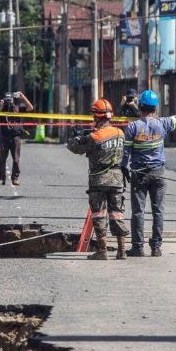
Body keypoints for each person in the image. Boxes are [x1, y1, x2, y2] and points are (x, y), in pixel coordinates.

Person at [121, 80, 176, 257]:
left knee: (138, 212)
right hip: (158, 174)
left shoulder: (132, 127)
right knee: (158, 211)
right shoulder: (163, 124)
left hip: (138, 174)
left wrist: (124, 167)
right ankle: (156, 247)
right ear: (155, 108)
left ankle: (138, 247)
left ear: (140, 106)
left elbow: (126, 152)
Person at [66, 99, 129, 260]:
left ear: (96, 116)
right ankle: (122, 251)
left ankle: (102, 252)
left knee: (99, 215)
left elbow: (74, 148)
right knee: (117, 213)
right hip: (117, 179)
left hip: (99, 180)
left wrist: (78, 138)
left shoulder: (95, 136)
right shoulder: (120, 133)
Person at [0, 91, 34, 186]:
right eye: (6, 100)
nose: (8, 102)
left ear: (13, 99)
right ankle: (1, 179)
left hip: (15, 136)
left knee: (16, 159)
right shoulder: (1, 108)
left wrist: (22, 96)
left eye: (10, 100)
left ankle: (15, 179)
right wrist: (0, 107)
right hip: (4, 136)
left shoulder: (17, 107)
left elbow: (30, 108)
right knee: (2, 159)